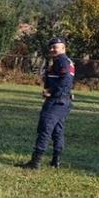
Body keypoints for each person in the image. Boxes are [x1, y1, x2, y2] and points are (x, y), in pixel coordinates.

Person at [20, 37, 75, 169]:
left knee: (44, 129)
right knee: (57, 131)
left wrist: (51, 91)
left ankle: (35, 162)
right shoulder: (63, 61)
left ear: (63, 48)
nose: (52, 49)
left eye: (55, 47)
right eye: (50, 47)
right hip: (63, 101)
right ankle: (56, 160)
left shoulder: (62, 61)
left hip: (56, 101)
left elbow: (66, 80)